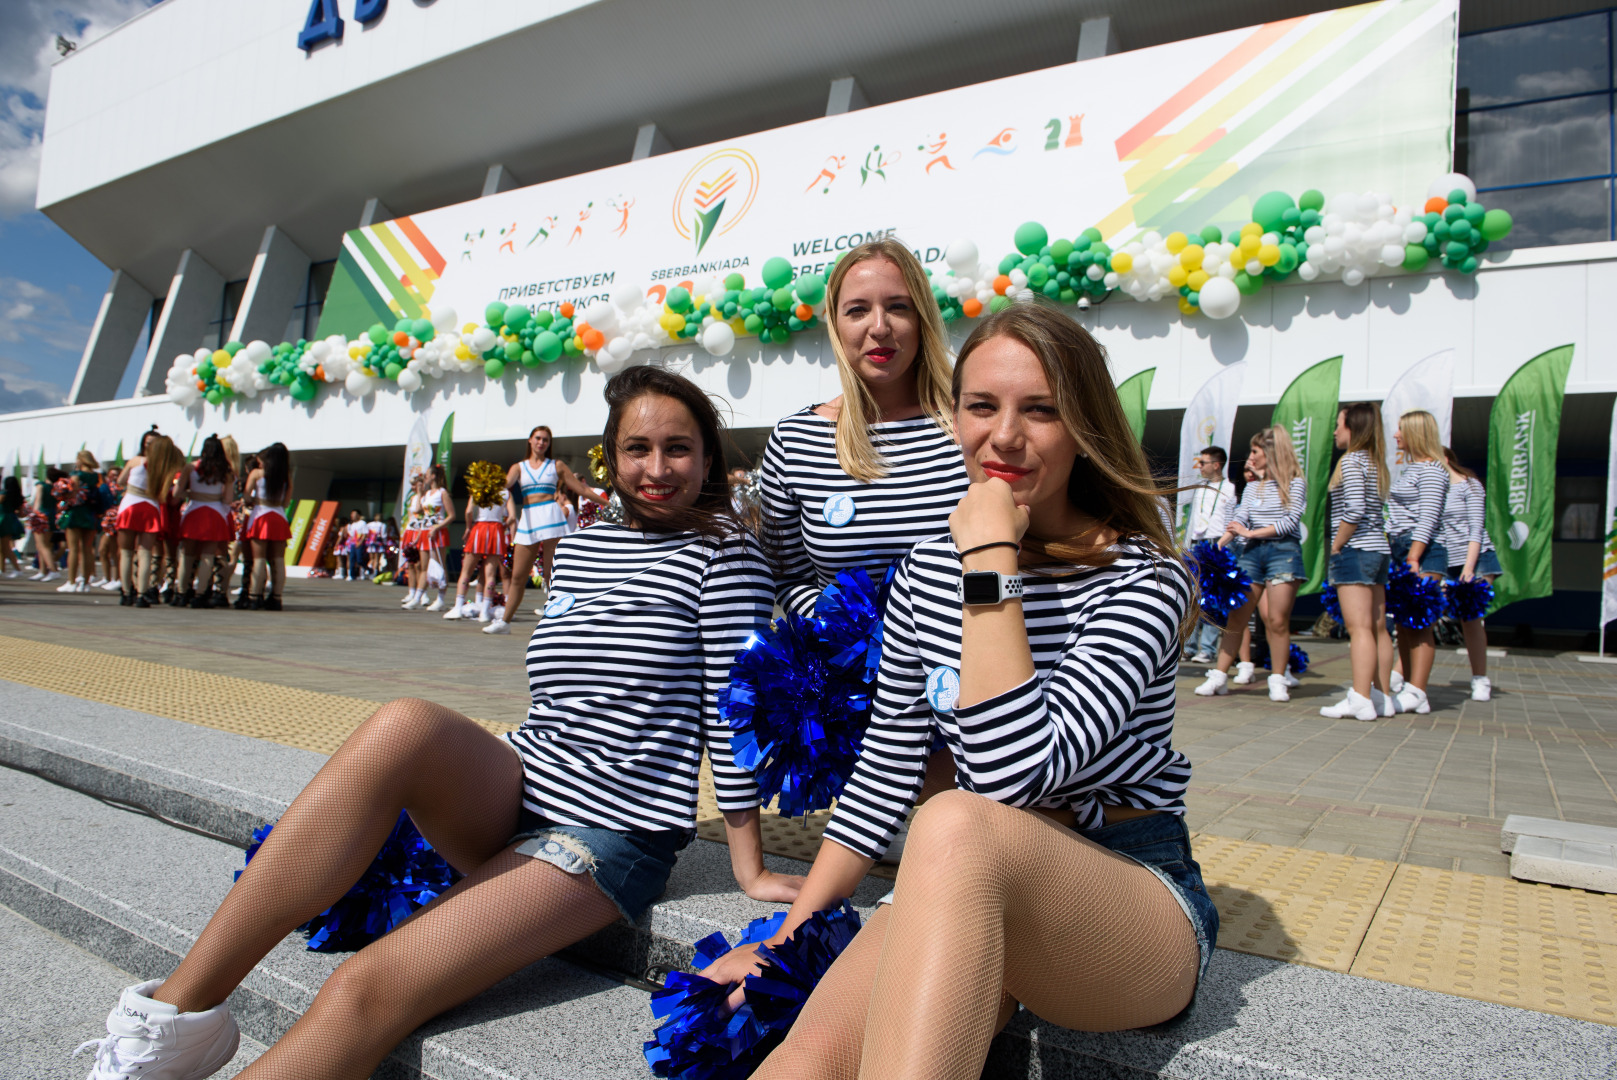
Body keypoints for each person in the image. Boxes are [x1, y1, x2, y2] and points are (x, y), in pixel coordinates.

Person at [77, 365, 802, 1080]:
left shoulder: (725, 554)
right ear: (609, 458)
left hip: (606, 834)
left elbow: (727, 709)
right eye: (637, 449)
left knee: (361, 988)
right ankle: (173, 1019)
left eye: (678, 448)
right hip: (524, 780)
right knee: (404, 722)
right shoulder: (581, 547)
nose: (658, 468)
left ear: (707, 457)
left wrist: (749, 862)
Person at [704, 303, 1212, 1078]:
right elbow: (883, 775)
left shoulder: (1141, 579)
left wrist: (988, 559)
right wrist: (785, 934)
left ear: (1083, 426)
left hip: (1123, 895)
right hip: (965, 877)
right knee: (802, 1061)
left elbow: (1014, 774)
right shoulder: (924, 572)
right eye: (981, 406)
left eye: (1038, 410)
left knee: (953, 819)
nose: (1003, 435)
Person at [759, 238, 968, 617]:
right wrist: (854, 635)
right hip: (848, 670)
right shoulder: (794, 441)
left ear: (922, 317)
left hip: (966, 662)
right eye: (857, 311)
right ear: (836, 326)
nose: (879, 327)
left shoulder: (972, 423)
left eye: (898, 307)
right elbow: (786, 579)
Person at [1195, 427, 1306, 702]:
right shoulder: (1253, 486)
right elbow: (1240, 518)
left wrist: (1251, 533)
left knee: (1277, 620)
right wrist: (1218, 545)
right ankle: (1219, 677)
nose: (1251, 458)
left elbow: (1291, 521)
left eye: (1255, 452)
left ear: (1272, 452)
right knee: (1236, 618)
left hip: (1284, 553)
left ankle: (1278, 678)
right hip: (1252, 554)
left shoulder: (1294, 482)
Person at [489, 426, 605, 636]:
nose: (541, 443)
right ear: (530, 441)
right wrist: (485, 488)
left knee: (553, 575)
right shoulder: (519, 467)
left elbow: (581, 489)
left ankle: (561, 621)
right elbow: (503, 486)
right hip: (529, 520)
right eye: (538, 438)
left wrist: (606, 503)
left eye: (546, 440)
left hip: (552, 519)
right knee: (517, 576)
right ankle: (504, 622)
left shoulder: (556, 465)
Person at [1319, 403, 1395, 721]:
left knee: (1359, 628)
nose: (1335, 431)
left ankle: (1361, 697)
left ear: (1354, 428)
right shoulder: (1375, 462)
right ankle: (1381, 695)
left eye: (1340, 424)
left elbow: (1354, 509)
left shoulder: (1350, 462)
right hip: (1377, 549)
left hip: (1355, 549)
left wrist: (1336, 545)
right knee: (1378, 628)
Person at [1384, 410, 1449, 715]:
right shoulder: (1411, 469)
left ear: (1415, 433)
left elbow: (1429, 516)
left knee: (1420, 623)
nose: (1396, 435)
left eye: (1400, 430)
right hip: (1401, 549)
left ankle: (1419, 691)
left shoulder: (1434, 470)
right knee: (1404, 624)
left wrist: (1414, 556)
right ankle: (1409, 685)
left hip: (1421, 550)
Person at [1442, 448, 1499, 702]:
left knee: (1471, 619)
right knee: (1426, 615)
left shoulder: (1470, 486)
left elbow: (1477, 528)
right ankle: (1401, 676)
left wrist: (1468, 568)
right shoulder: (1432, 487)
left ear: (1444, 460)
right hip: (1445, 561)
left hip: (1475, 559)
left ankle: (1480, 679)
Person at [1182, 446, 1236, 663]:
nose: (1200, 467)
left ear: (1216, 464)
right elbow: (1193, 518)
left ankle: (1208, 648)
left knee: (1212, 597)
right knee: (1193, 595)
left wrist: (1226, 546)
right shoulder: (1199, 488)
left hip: (1217, 545)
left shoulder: (1229, 488)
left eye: (1203, 463)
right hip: (1197, 544)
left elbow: (1231, 519)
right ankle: (1189, 646)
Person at [116, 437, 184, 607]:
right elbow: (171, 493)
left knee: (126, 552)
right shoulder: (165, 469)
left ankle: (126, 592)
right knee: (145, 552)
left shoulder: (136, 461)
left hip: (130, 505)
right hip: (151, 508)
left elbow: (120, 481)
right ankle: (142, 593)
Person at [176, 436, 237, 608]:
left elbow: (177, 492)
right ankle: (200, 593)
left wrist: (192, 494)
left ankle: (181, 592)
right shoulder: (226, 471)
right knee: (208, 556)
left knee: (187, 556)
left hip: (193, 511)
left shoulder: (190, 467)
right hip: (215, 514)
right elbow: (228, 499)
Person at [445, 466, 508, 622]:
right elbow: (512, 516)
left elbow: (468, 511)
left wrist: (468, 527)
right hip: (496, 531)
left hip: (479, 529)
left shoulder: (478, 489)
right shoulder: (505, 493)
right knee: (490, 574)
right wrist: (503, 527)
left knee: (466, 571)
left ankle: (458, 606)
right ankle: (485, 611)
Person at [243, 443, 293, 611]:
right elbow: (286, 502)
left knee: (259, 559)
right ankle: (277, 597)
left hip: (260, 515)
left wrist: (251, 501)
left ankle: (254, 596)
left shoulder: (256, 473)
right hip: (279, 516)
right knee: (278, 560)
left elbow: (246, 496)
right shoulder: (286, 477)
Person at [53, 450, 102, 593]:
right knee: (87, 549)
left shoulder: (77, 476)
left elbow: (71, 495)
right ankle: (86, 583)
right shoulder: (97, 476)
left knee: (74, 548)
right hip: (91, 514)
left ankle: (72, 581)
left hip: (76, 513)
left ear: (80, 460)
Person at [0, 476, 25, 577]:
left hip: (2, 519)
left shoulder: (4, 493)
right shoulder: (16, 496)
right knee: (4, 547)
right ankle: (2, 569)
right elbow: (21, 512)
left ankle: (17, 569)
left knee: (5, 548)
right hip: (9, 519)